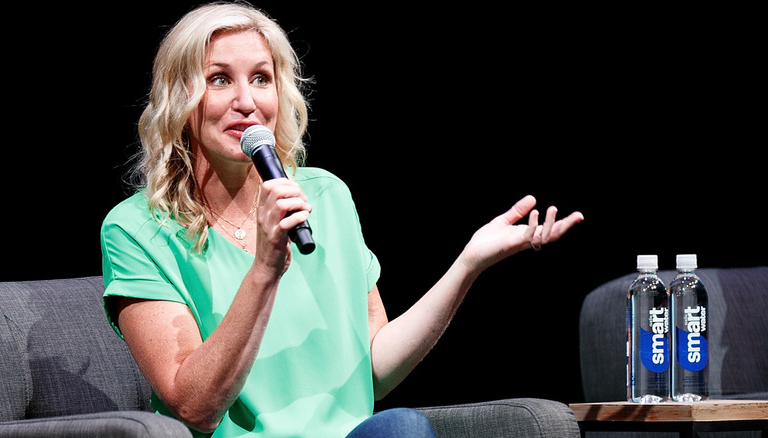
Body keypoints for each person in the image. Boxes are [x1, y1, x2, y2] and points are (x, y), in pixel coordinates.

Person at [100, 3, 584, 438]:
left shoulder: (325, 197)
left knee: (400, 428)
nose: (246, 101)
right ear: (179, 95)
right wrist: (265, 269)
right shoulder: (136, 229)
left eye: (262, 78)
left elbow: (373, 367)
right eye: (220, 79)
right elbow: (195, 407)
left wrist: (468, 265)